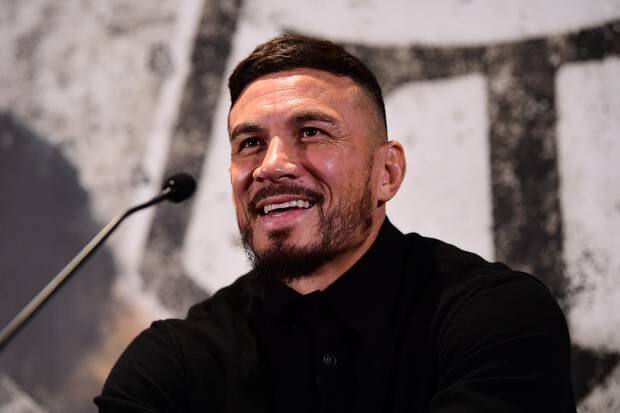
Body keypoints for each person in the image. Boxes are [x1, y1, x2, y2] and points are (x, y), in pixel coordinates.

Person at [95, 34, 576, 412]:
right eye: (250, 143)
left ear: (386, 173)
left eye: (310, 132)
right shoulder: (170, 365)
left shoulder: (495, 320)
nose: (271, 165)